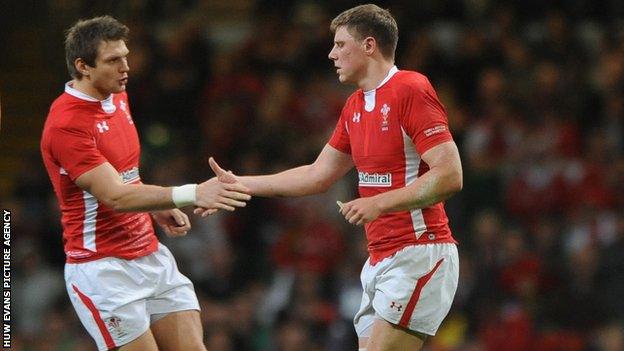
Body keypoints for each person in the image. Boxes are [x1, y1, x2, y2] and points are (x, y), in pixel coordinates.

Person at [205, 4, 462, 350]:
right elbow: (317, 175)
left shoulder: (410, 88)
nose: (331, 54)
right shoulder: (355, 106)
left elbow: (450, 175)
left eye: (341, 44)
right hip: (380, 259)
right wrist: (242, 183)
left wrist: (380, 202)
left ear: (369, 45)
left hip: (420, 252)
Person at [40, 16, 251, 351]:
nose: (126, 67)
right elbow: (116, 196)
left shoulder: (117, 96)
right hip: (103, 270)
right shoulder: (67, 124)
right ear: (83, 66)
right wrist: (192, 193)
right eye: (113, 60)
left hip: (150, 255)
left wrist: (158, 207)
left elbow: (126, 174)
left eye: (125, 55)